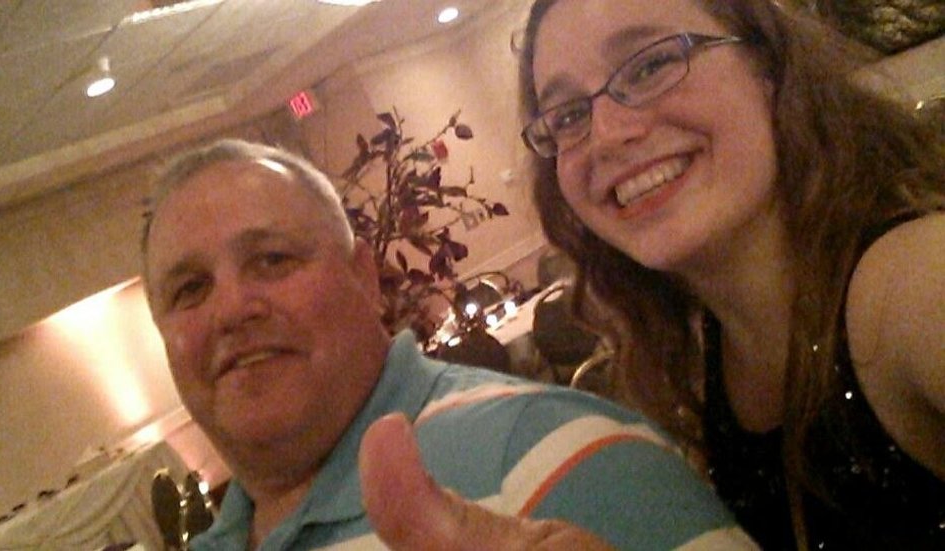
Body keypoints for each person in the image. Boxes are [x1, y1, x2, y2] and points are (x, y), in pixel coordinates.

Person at [358, 0, 945, 550]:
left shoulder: (909, 287)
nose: (608, 135)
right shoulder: (695, 353)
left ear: (767, 65)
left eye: (650, 66)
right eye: (569, 115)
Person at [140, 138, 758, 550]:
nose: (231, 310)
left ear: (365, 279)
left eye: (272, 260)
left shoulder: (557, 457)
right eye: (190, 289)